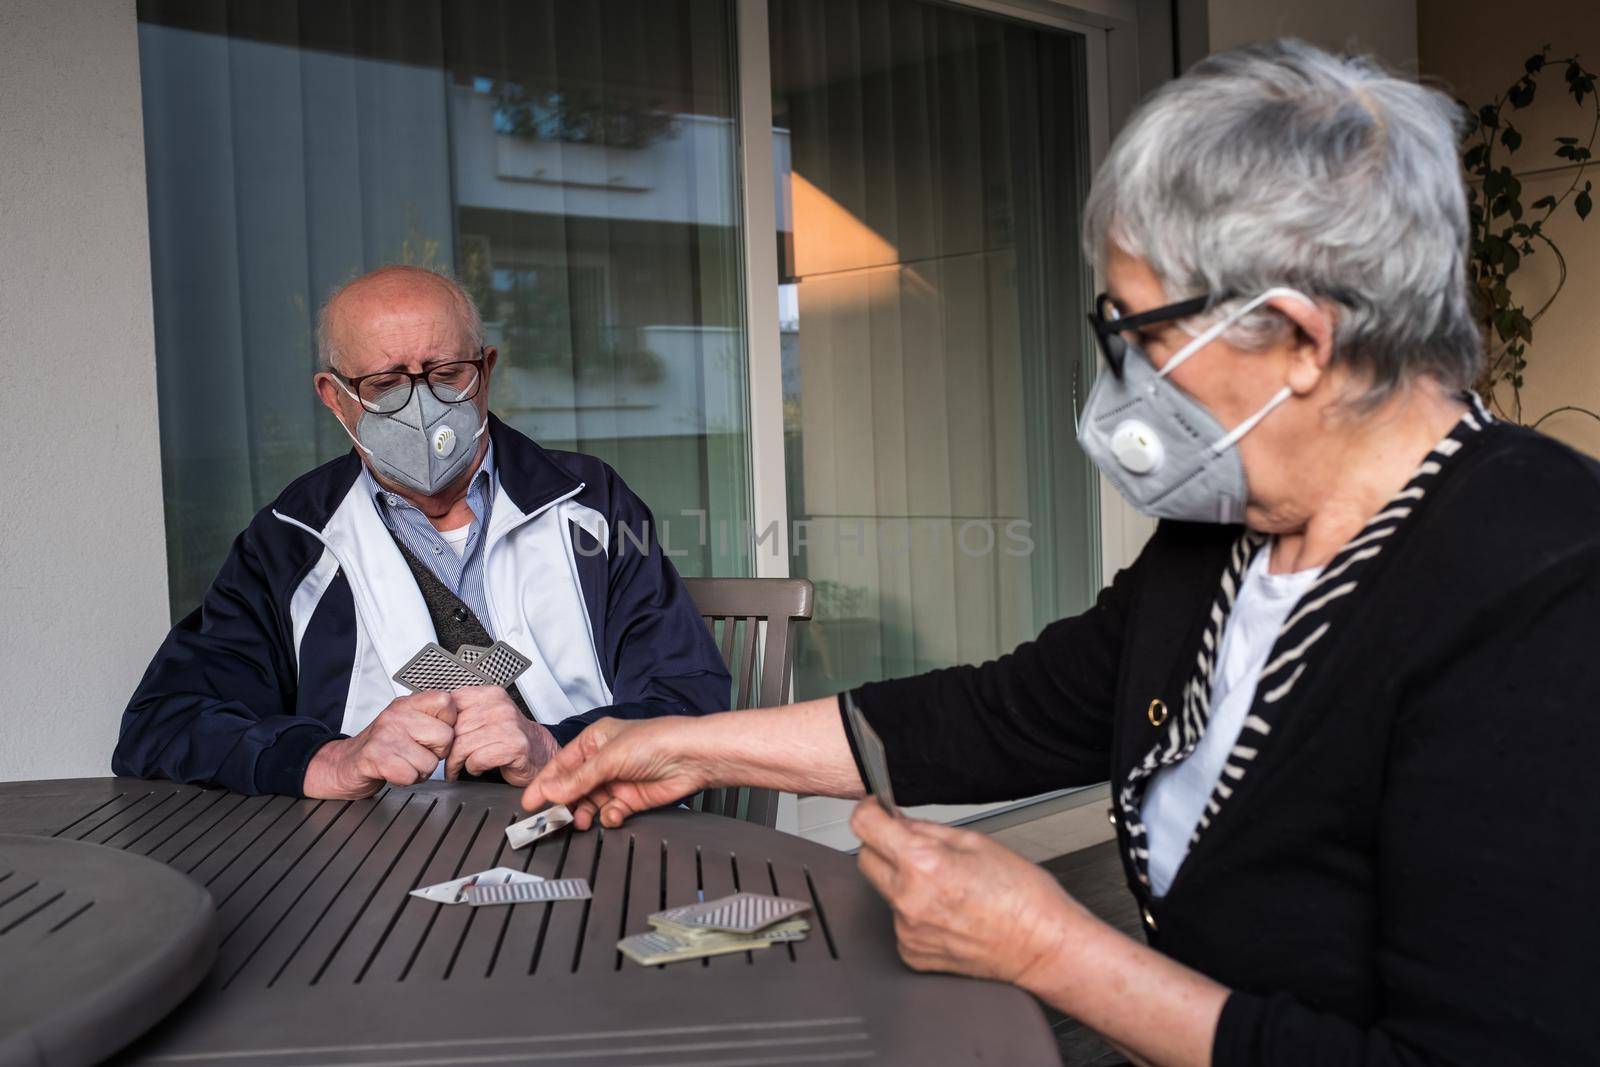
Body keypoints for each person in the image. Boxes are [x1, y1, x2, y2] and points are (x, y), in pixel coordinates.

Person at [518, 40, 1600, 1067]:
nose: (1119, 369)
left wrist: (1049, 949)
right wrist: (691, 746)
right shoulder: (1225, 532)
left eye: (1137, 326)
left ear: (1300, 339)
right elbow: (1007, 713)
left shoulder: (1539, 586)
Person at [115, 265, 729, 799]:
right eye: (384, 385)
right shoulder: (291, 538)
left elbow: (690, 699)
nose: (420, 405)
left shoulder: (594, 506)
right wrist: (330, 758)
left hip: (591, 826)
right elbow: (163, 722)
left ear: (484, 372)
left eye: (444, 373)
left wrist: (551, 747)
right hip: (368, 867)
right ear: (334, 397)